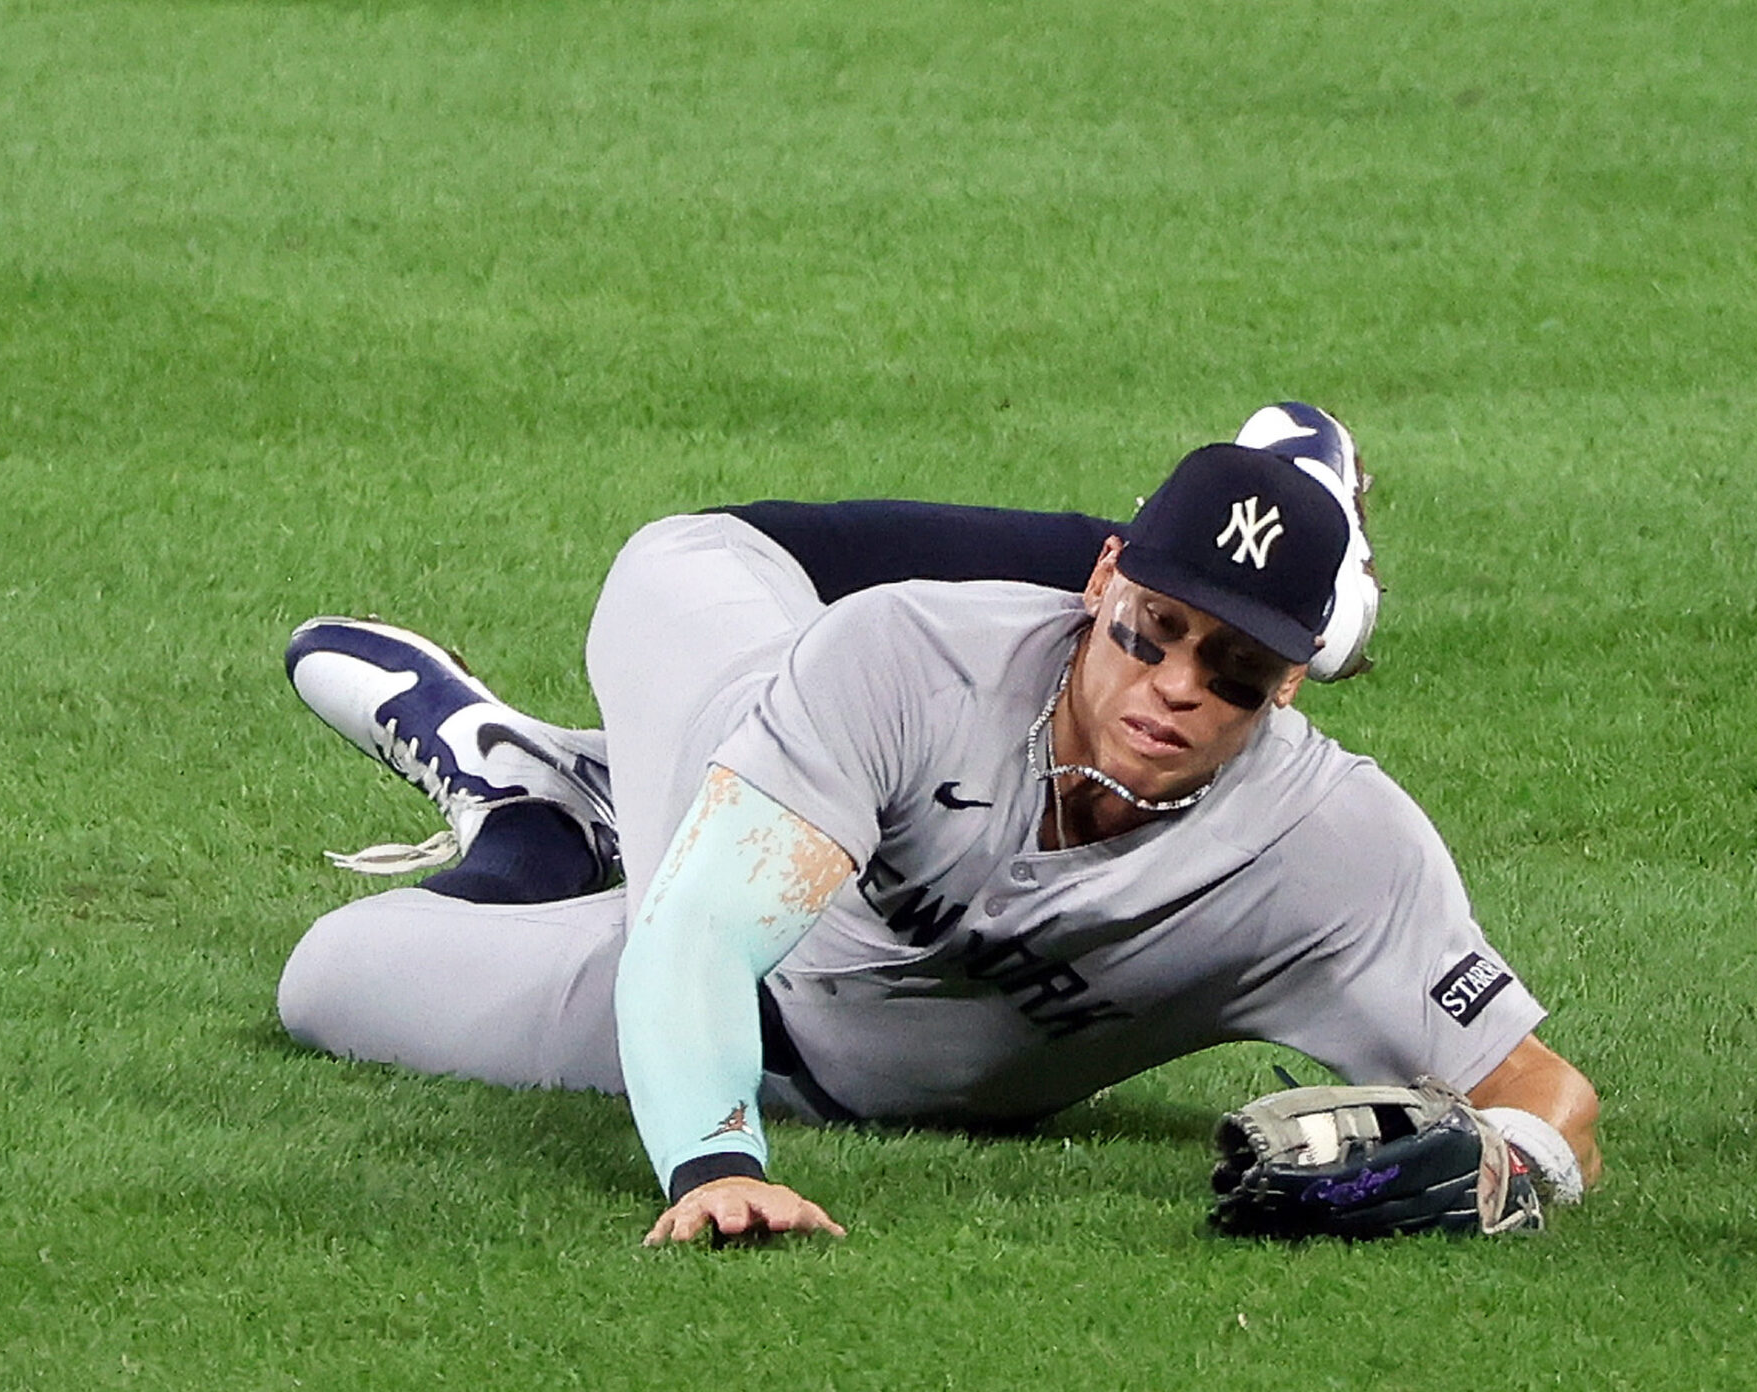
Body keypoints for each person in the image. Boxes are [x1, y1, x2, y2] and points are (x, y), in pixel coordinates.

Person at [277, 405, 1601, 1246]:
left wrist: (1506, 1170)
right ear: (1101, 583)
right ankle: (589, 798)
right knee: (674, 576)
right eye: (1152, 628)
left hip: (797, 1004)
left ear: (1295, 680)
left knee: (331, 969)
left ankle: (545, 807)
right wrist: (714, 1162)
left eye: (1240, 664)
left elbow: (1550, 1098)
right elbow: (694, 943)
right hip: (729, 741)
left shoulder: (1332, 857)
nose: (1177, 687)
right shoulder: (905, 664)